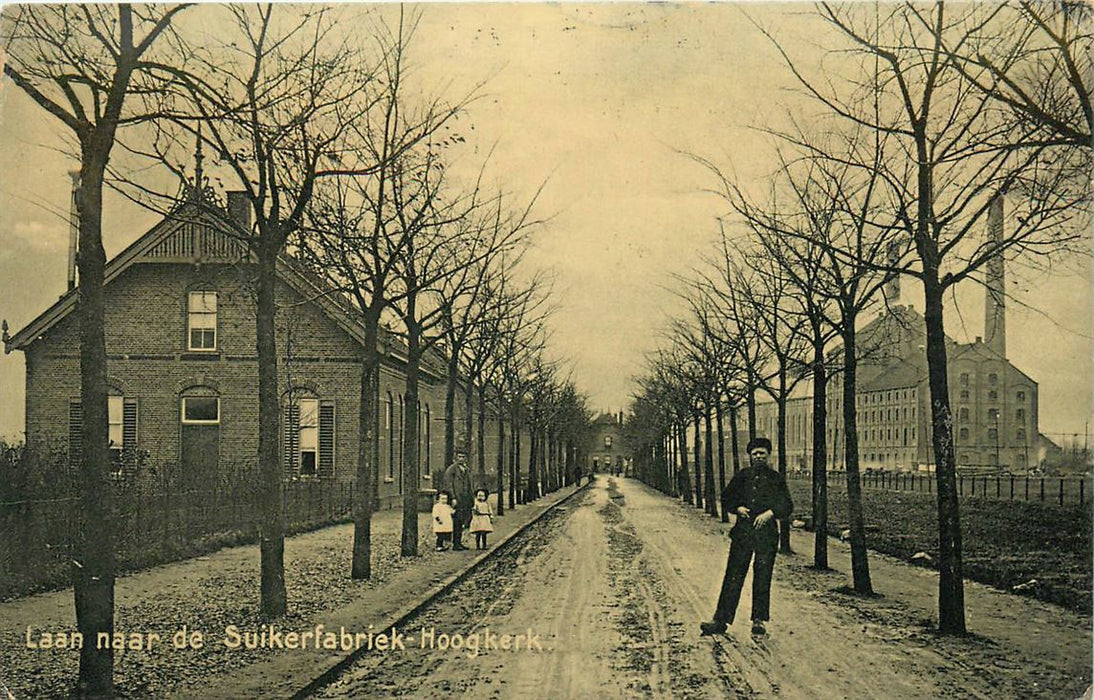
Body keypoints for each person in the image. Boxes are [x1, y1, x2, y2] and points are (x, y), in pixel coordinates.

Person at [700, 437, 793, 637]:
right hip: (743, 533)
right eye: (755, 453)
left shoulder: (776, 479)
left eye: (762, 453)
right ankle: (720, 620)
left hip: (766, 536)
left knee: (762, 576)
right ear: (749, 456)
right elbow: (726, 498)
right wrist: (737, 508)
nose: (758, 456)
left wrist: (770, 513)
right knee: (733, 575)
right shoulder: (742, 476)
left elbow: (787, 505)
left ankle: (758, 620)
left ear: (769, 455)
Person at [443, 446, 474, 551]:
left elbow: (469, 484)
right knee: (456, 521)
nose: (461, 459)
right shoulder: (451, 469)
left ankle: (459, 542)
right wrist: (453, 497)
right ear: (456, 458)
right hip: (457, 499)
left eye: (463, 457)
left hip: (465, 499)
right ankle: (455, 544)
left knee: (462, 521)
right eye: (459, 457)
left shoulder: (466, 469)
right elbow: (449, 485)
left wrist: (471, 497)